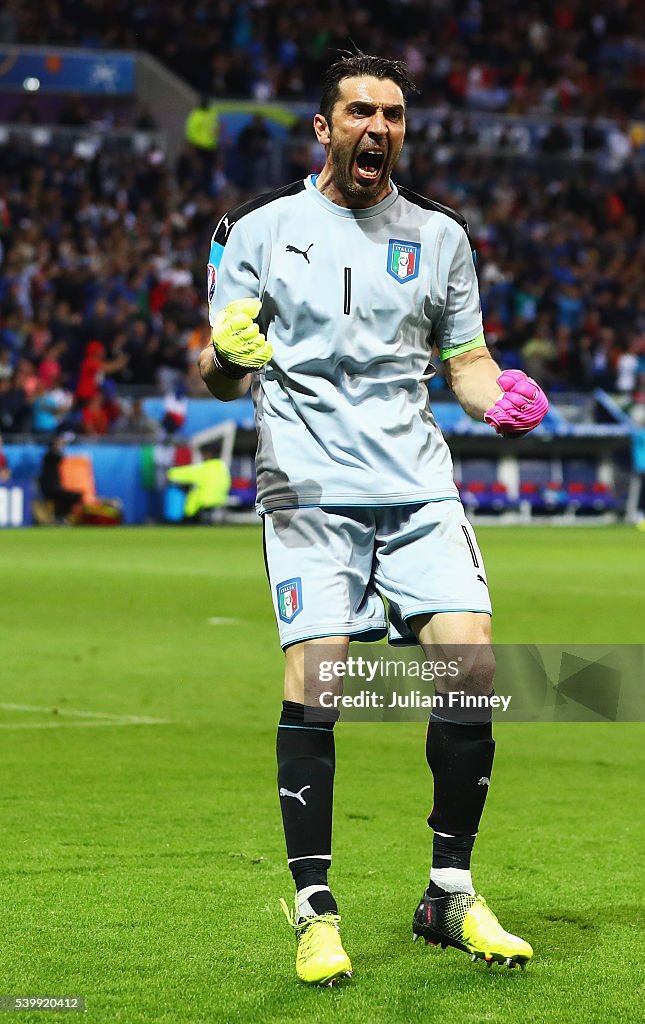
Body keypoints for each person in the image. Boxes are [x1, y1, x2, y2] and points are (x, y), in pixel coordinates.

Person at [198, 53, 549, 987]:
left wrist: (494, 395)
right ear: (324, 127)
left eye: (393, 114)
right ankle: (316, 910)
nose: (379, 128)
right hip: (308, 491)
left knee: (470, 663)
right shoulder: (256, 231)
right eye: (360, 112)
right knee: (321, 683)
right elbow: (222, 366)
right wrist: (228, 358)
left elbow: (465, 358)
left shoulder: (439, 236)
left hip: (418, 487)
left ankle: (448, 890)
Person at [166, 446, 231, 521]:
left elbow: (184, 473)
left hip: (203, 503)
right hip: (220, 500)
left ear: (208, 455)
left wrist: (169, 472)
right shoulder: (223, 467)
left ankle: (188, 519)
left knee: (192, 496)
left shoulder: (204, 468)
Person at [37, 435, 83, 522]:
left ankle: (60, 515)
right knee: (74, 496)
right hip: (51, 489)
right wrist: (61, 444)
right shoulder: (50, 456)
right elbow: (59, 456)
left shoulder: (51, 458)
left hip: (54, 488)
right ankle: (60, 516)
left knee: (72, 497)